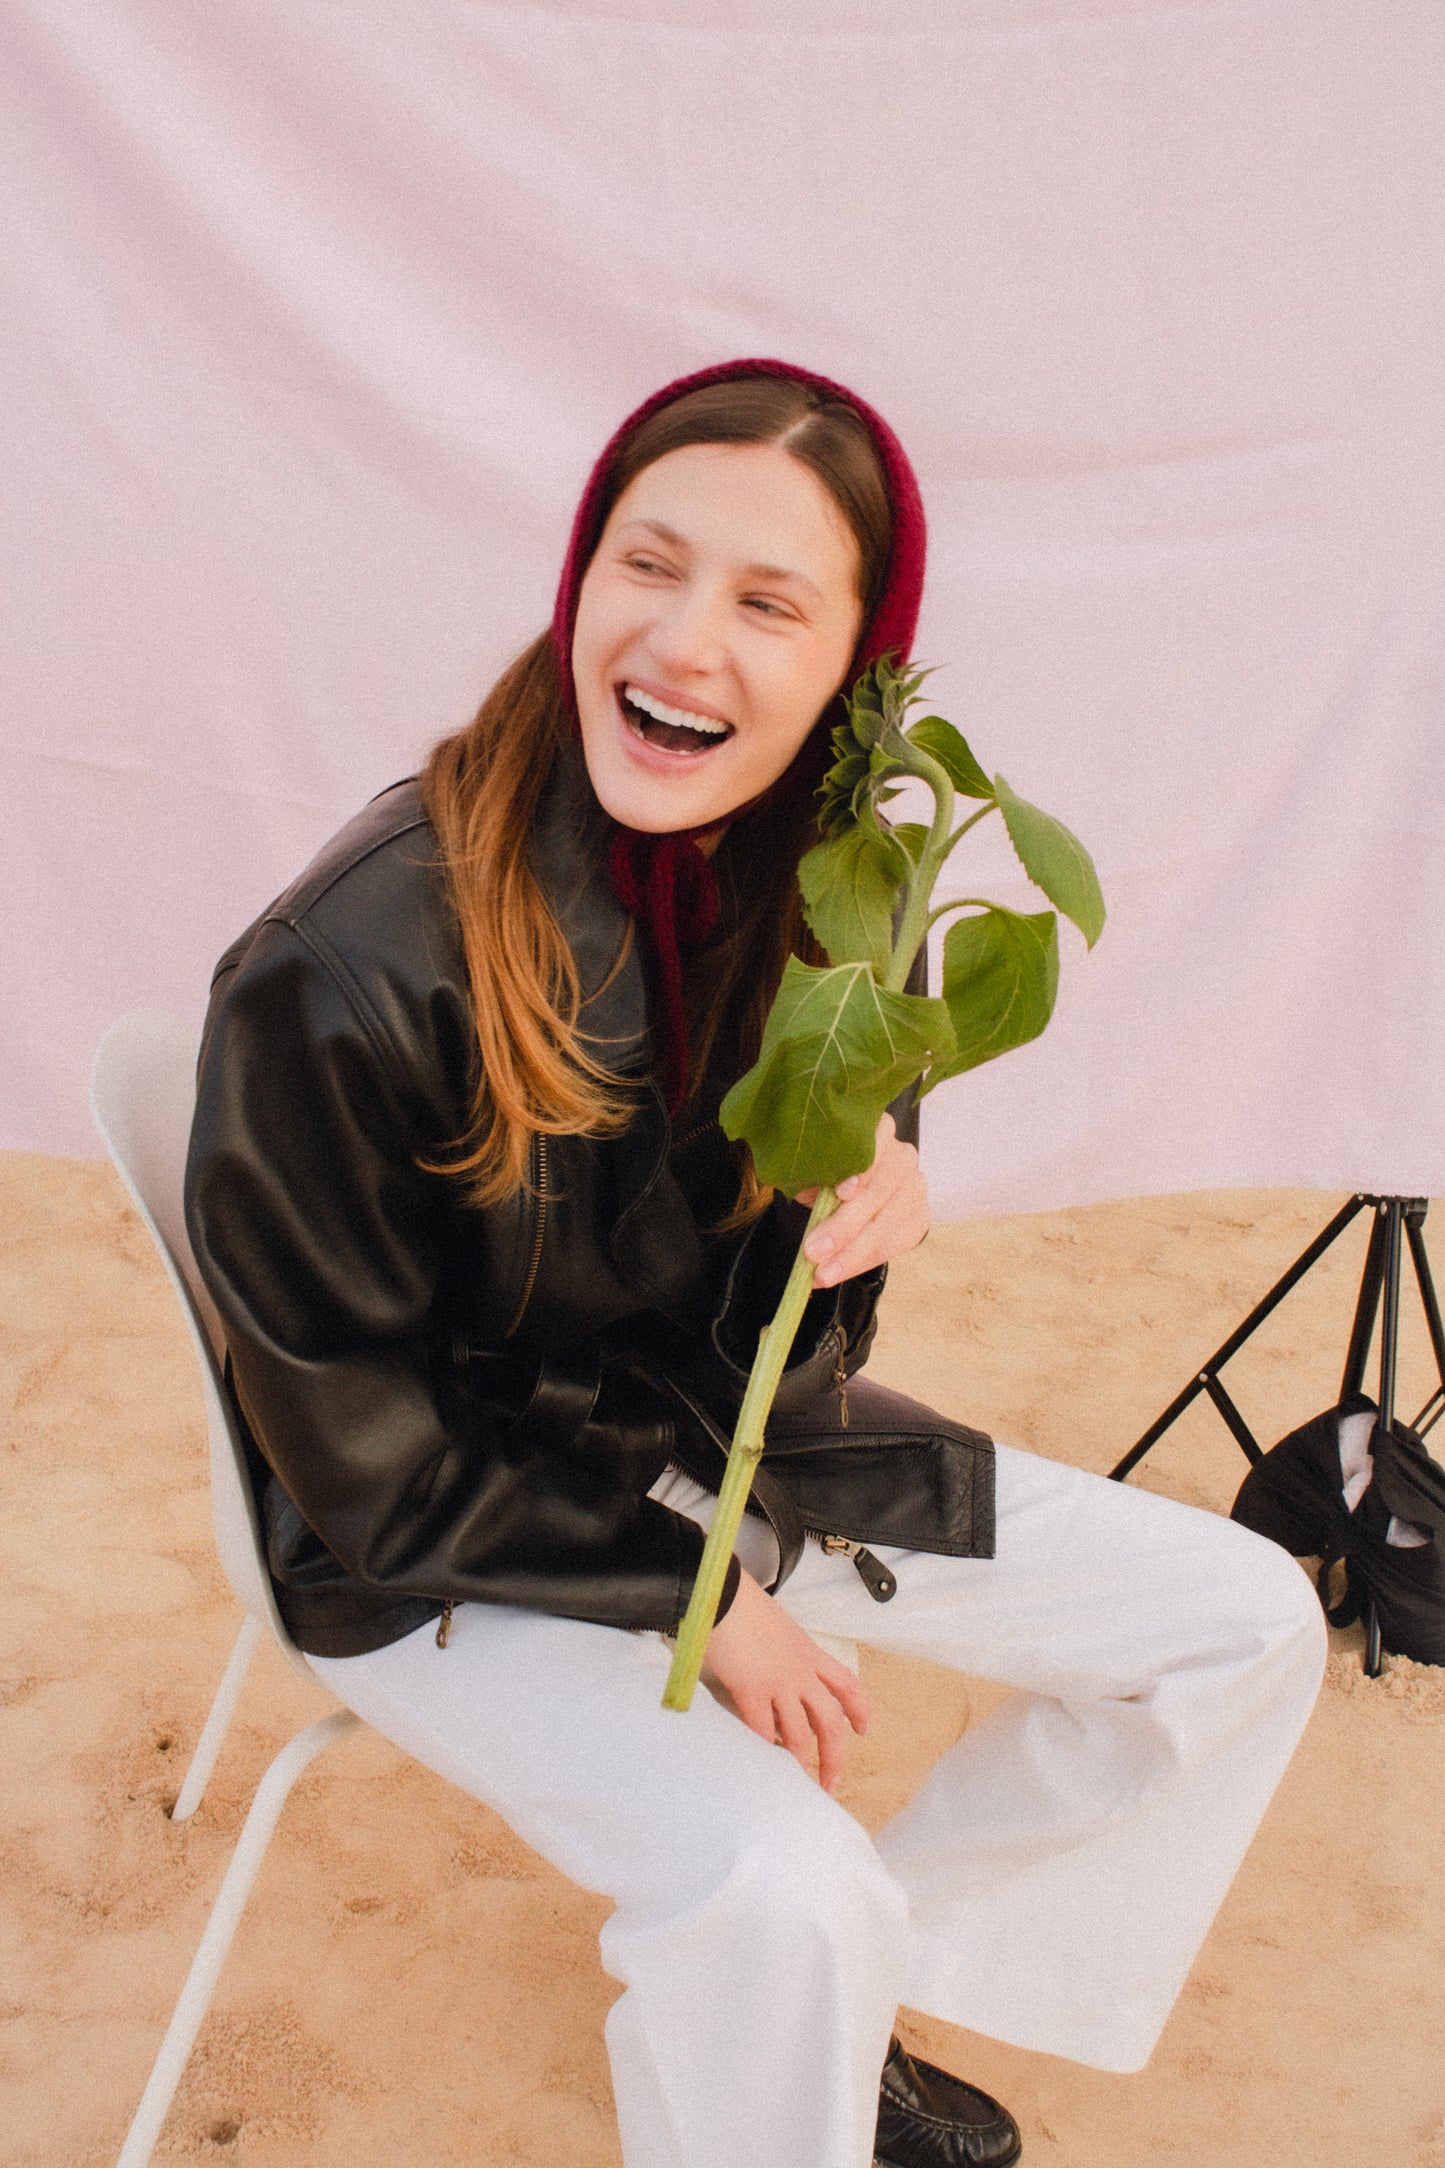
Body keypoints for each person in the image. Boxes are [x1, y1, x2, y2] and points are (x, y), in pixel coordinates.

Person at [185, 359, 1326, 2168]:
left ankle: (835, 2022)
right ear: (579, 579)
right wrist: (692, 1591)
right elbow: (366, 1458)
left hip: (723, 1453)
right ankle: (799, 1994)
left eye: (768, 600)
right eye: (649, 564)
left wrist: (874, 1179)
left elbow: (780, 1340)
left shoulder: (837, 885)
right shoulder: (346, 965)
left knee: (1244, 1625)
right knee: (785, 1892)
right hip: (440, 1540)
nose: (685, 641)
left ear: (859, 671)